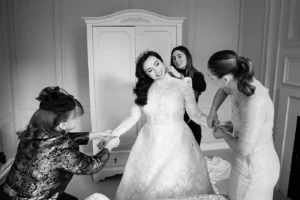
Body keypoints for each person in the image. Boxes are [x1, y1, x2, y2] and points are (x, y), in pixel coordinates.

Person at [110, 51, 228, 200]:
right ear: (146, 74)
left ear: (162, 61)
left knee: (174, 180)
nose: (156, 70)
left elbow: (194, 114)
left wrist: (211, 122)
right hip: (150, 141)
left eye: (157, 64)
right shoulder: (144, 90)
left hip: (177, 140)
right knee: (149, 183)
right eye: (150, 70)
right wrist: (114, 134)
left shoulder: (182, 85)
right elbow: (133, 117)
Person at [0, 86, 120, 200]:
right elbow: (92, 166)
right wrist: (109, 146)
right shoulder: (62, 150)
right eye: (74, 117)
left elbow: (66, 138)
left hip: (8, 193)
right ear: (62, 125)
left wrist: (97, 134)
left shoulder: (32, 133)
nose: (77, 118)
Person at [206, 50, 280, 200]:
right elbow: (223, 91)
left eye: (211, 77)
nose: (211, 81)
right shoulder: (238, 81)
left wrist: (223, 135)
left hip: (255, 169)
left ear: (225, 78)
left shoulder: (255, 103)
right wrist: (213, 110)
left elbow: (243, 149)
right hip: (242, 163)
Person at [168, 46, 206, 144]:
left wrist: (179, 76)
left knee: (194, 156)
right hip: (174, 124)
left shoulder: (197, 75)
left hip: (192, 122)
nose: (176, 60)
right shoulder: (169, 78)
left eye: (179, 56)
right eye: (174, 58)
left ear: (187, 57)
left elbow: (202, 86)